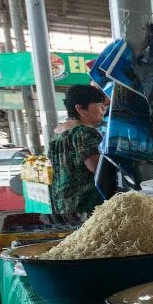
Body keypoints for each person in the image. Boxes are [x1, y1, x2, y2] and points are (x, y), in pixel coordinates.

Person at [49, 85, 107, 220]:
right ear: (80, 108)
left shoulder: (57, 133)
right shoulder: (84, 132)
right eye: (98, 105)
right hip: (85, 207)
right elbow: (97, 168)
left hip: (61, 204)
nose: (103, 110)